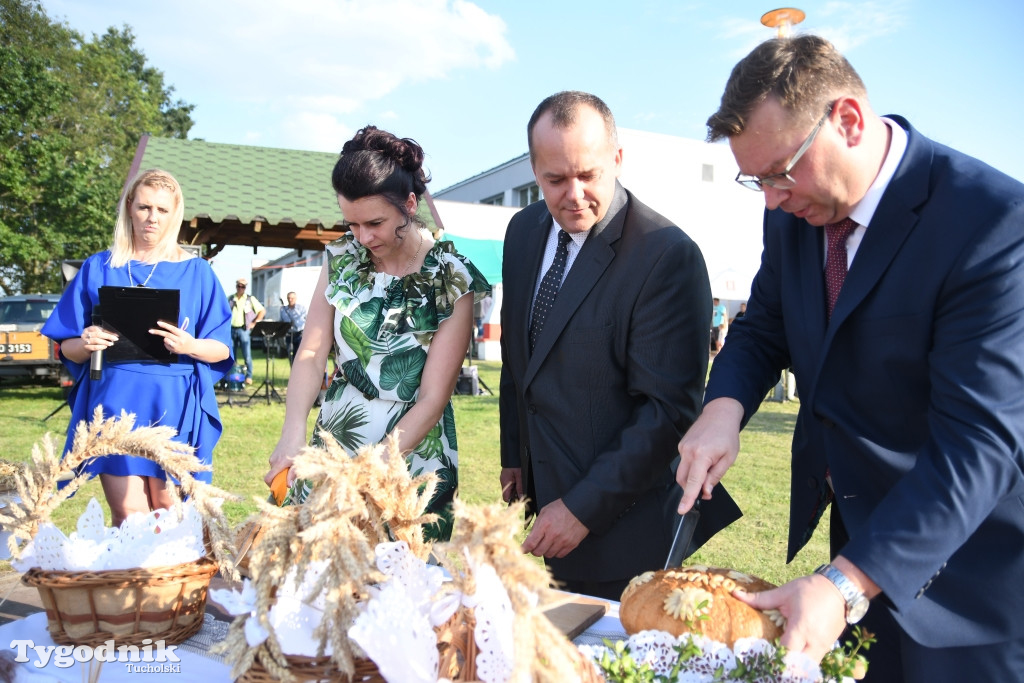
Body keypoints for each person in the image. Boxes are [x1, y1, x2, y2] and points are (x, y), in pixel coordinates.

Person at [675, 35, 1024, 681]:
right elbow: (765, 325)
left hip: (970, 586)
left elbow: (980, 445)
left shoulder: (994, 223)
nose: (772, 198)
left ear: (849, 121)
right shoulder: (792, 214)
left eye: (781, 171)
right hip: (855, 553)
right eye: (756, 180)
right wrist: (723, 407)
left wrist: (845, 582)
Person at [499, 91, 741, 601]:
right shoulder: (522, 232)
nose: (574, 194)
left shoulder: (665, 256)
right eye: (555, 179)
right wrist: (513, 453)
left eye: (588, 175)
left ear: (618, 159)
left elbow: (666, 412)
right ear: (534, 170)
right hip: (542, 502)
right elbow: (520, 360)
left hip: (625, 530)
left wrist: (582, 509)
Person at [265, 125, 490, 541]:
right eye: (351, 224)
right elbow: (313, 354)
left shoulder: (451, 278)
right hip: (337, 434)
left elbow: (432, 398)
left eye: (375, 223)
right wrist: (293, 431)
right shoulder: (342, 259)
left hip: (408, 454)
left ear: (409, 204)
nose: (363, 237)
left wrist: (369, 470)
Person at [42, 169, 233, 526]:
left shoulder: (198, 273)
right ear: (129, 207)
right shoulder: (98, 266)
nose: (152, 218)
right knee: (129, 515)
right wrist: (84, 342)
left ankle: (174, 582)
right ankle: (134, 583)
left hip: (173, 403)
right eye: (145, 207)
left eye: (162, 210)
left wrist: (190, 345)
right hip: (114, 402)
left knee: (170, 510)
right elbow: (66, 347)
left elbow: (221, 349)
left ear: (174, 214)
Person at [229, 277, 264, 384]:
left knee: (247, 355)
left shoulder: (249, 299)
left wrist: (254, 323)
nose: (240, 288)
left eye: (243, 287)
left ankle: (249, 376)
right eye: (239, 286)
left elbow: (262, 310)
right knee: (231, 354)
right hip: (231, 329)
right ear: (236, 286)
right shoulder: (231, 298)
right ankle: (232, 376)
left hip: (244, 329)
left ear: (245, 288)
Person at [278, 290, 307, 364]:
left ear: (295, 299)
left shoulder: (301, 308)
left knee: (299, 354)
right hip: (289, 334)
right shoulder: (283, 310)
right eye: (288, 298)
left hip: (299, 334)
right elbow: (281, 321)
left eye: (292, 298)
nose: (290, 300)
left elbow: (304, 319)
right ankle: (293, 370)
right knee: (290, 353)